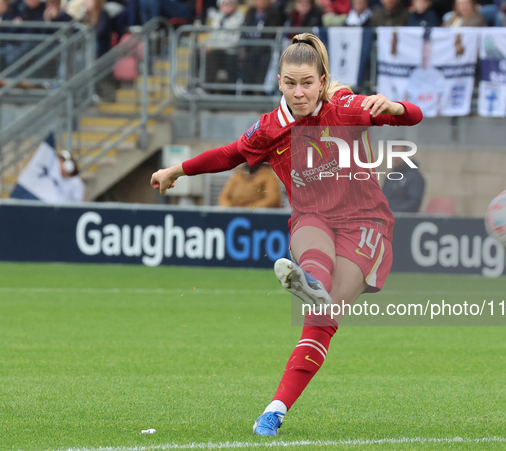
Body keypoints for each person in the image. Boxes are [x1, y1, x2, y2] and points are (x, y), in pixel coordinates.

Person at [150, 33, 422, 437]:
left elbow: (412, 116)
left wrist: (395, 105)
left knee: (322, 316)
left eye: (307, 83)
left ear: (322, 80)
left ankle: (277, 404)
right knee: (312, 246)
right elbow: (229, 155)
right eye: (290, 83)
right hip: (313, 216)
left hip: (364, 223)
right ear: (279, 82)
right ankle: (309, 283)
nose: (299, 92)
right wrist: (178, 169)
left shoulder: (346, 107)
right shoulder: (270, 128)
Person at [404, 31, 447, 118]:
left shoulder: (437, 74)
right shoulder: (415, 73)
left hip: (433, 116)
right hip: (416, 115)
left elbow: (442, 95)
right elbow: (407, 94)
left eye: (427, 50)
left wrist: (439, 111)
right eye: (423, 50)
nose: (425, 54)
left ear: (431, 52)